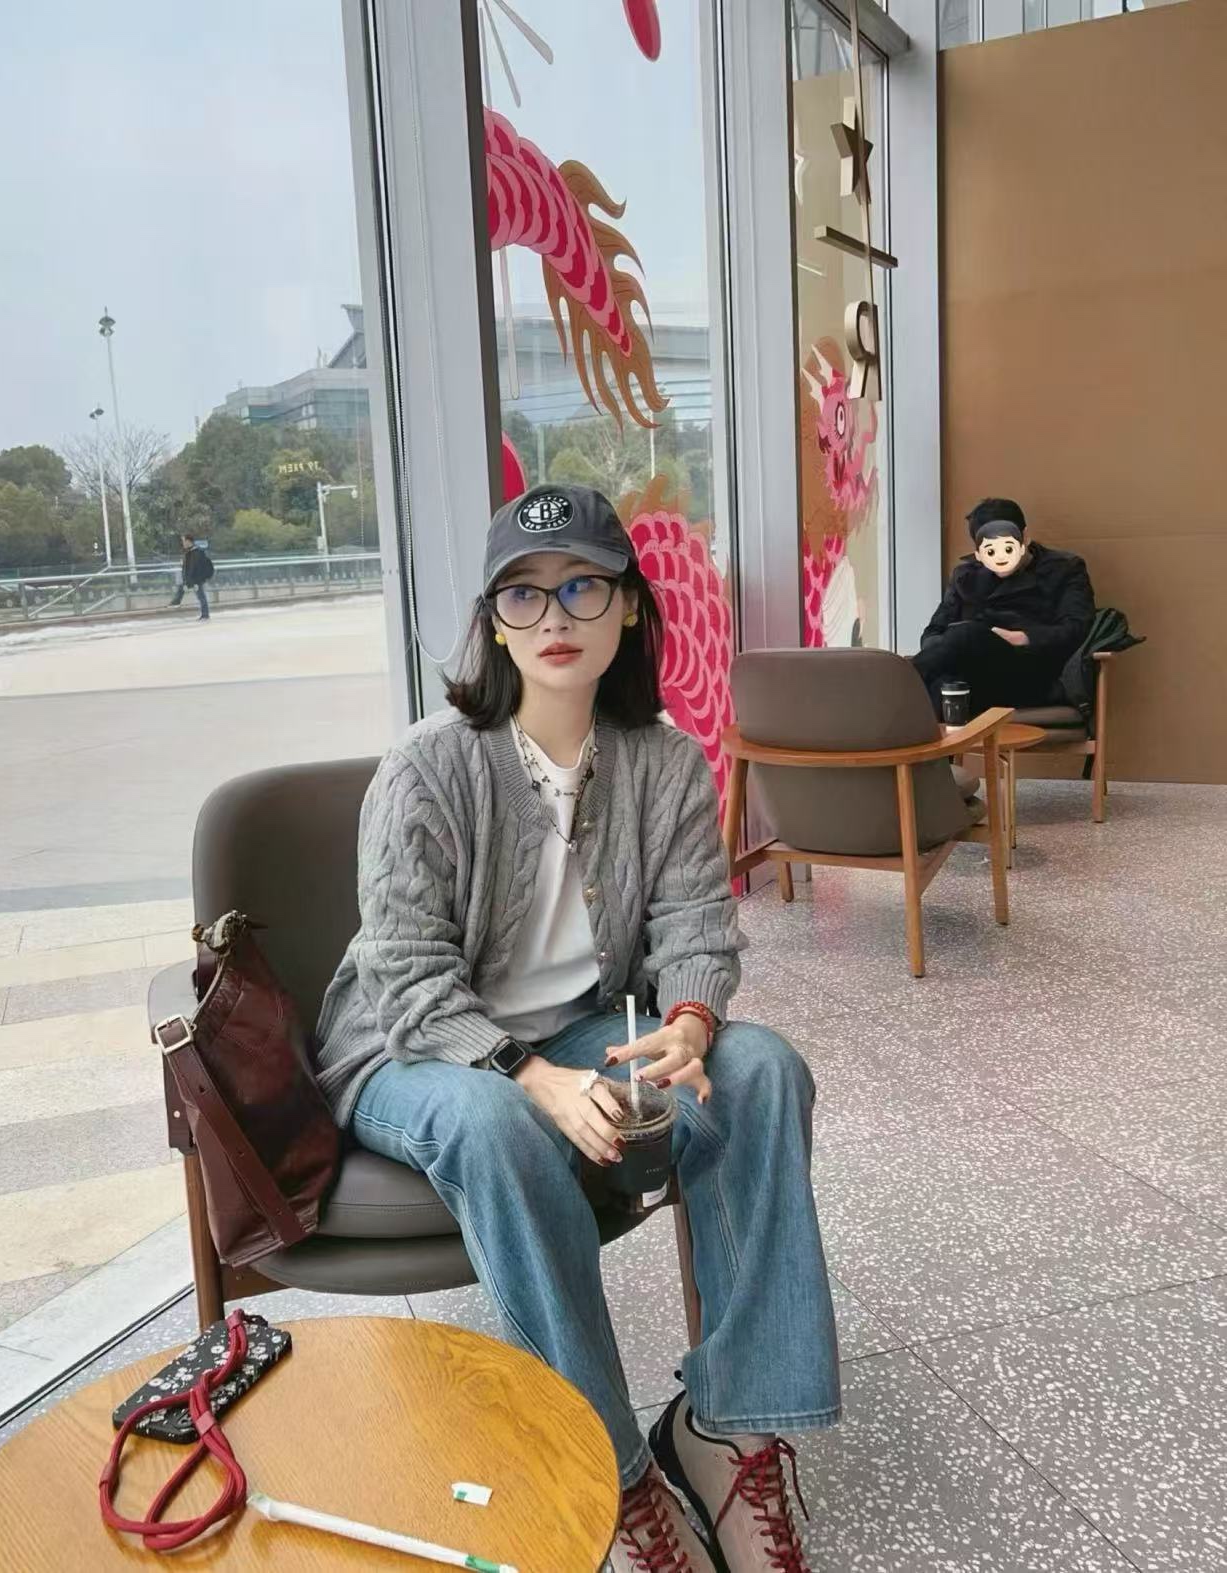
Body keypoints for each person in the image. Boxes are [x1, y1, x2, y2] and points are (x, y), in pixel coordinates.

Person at [315, 484, 840, 1572]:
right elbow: (404, 976)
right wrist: (526, 1075)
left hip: (581, 1028)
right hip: (413, 1048)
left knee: (760, 1069)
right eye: (522, 594)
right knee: (495, 1122)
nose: (553, 617)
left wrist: (690, 1021)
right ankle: (609, 1470)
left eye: (581, 588)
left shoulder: (663, 759)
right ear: (493, 620)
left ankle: (726, 1431)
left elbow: (696, 926)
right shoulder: (428, 764)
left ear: (629, 606)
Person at [912, 498, 1095, 718]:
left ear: (1024, 537)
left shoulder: (1064, 569)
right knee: (944, 684)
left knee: (967, 634)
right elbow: (932, 633)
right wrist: (952, 648)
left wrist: (1023, 637)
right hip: (973, 676)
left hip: (1030, 675)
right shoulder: (966, 576)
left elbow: (1077, 627)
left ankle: (898, 680)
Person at [170, 533, 214, 620]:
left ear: (188, 541)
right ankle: (204, 614)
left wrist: (195, 579)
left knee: (200, 595)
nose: (183, 543)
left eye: (183, 541)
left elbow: (195, 567)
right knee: (199, 595)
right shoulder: (190, 552)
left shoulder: (196, 552)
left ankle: (205, 614)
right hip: (191, 578)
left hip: (196, 579)